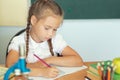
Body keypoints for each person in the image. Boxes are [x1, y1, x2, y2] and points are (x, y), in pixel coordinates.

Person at [6, 0, 83, 78]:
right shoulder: (19, 41)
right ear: (34, 21)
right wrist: (41, 72)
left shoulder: (55, 39)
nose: (51, 34)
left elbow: (78, 61)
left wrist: (49, 60)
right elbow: (11, 67)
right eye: (47, 28)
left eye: (55, 29)